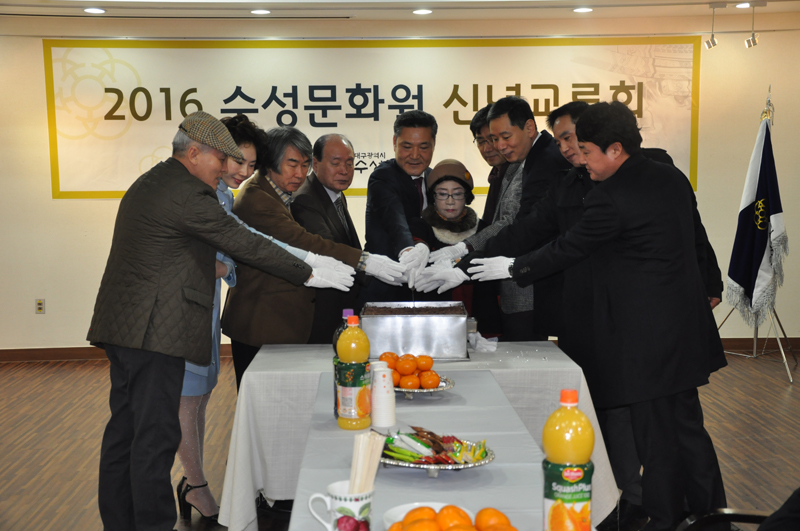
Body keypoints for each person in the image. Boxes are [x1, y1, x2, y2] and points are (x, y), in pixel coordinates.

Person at [467, 101, 728, 531]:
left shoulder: (612, 196)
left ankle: (666, 519)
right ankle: (711, 517)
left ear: (615, 149)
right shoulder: (667, 176)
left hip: (647, 340)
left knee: (657, 438)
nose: (580, 159)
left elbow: (569, 247)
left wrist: (513, 268)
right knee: (686, 430)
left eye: (586, 150)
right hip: (681, 329)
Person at [87, 111, 352, 531]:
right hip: (154, 332)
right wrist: (309, 271)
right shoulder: (189, 192)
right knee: (155, 437)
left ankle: (120, 523)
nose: (228, 168)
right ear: (195, 153)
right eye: (222, 159)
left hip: (126, 328)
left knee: (126, 433)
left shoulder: (154, 181)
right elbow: (242, 241)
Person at [175, 114, 330, 521]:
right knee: (187, 403)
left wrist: (227, 264)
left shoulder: (224, 196)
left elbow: (237, 250)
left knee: (201, 399)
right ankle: (197, 485)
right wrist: (310, 265)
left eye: (250, 164)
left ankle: (197, 481)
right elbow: (214, 252)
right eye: (236, 161)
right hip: (185, 314)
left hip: (207, 311)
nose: (243, 171)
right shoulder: (202, 195)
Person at [221, 126, 405, 388]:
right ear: (271, 161)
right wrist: (366, 261)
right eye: (292, 164)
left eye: (304, 165)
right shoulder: (257, 198)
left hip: (279, 322)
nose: (300, 173)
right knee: (266, 402)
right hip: (260, 322)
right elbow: (304, 242)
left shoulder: (279, 192)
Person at [292, 134, 365, 342]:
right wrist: (372, 267)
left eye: (349, 163)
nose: (344, 170)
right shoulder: (305, 199)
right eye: (336, 163)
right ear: (315, 164)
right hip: (320, 312)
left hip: (340, 306)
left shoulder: (335, 193)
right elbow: (328, 250)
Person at [362, 110, 438, 302]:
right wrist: (408, 251)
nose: (415, 155)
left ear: (434, 144)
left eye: (423, 147)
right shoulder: (383, 177)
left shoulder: (434, 178)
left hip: (426, 289)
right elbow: (395, 220)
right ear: (394, 142)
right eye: (407, 146)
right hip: (386, 288)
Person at [409, 159, 479, 306]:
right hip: (433, 309)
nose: (450, 201)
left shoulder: (483, 229)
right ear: (433, 197)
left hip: (478, 309)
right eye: (442, 194)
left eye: (457, 194)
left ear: (467, 196)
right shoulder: (420, 227)